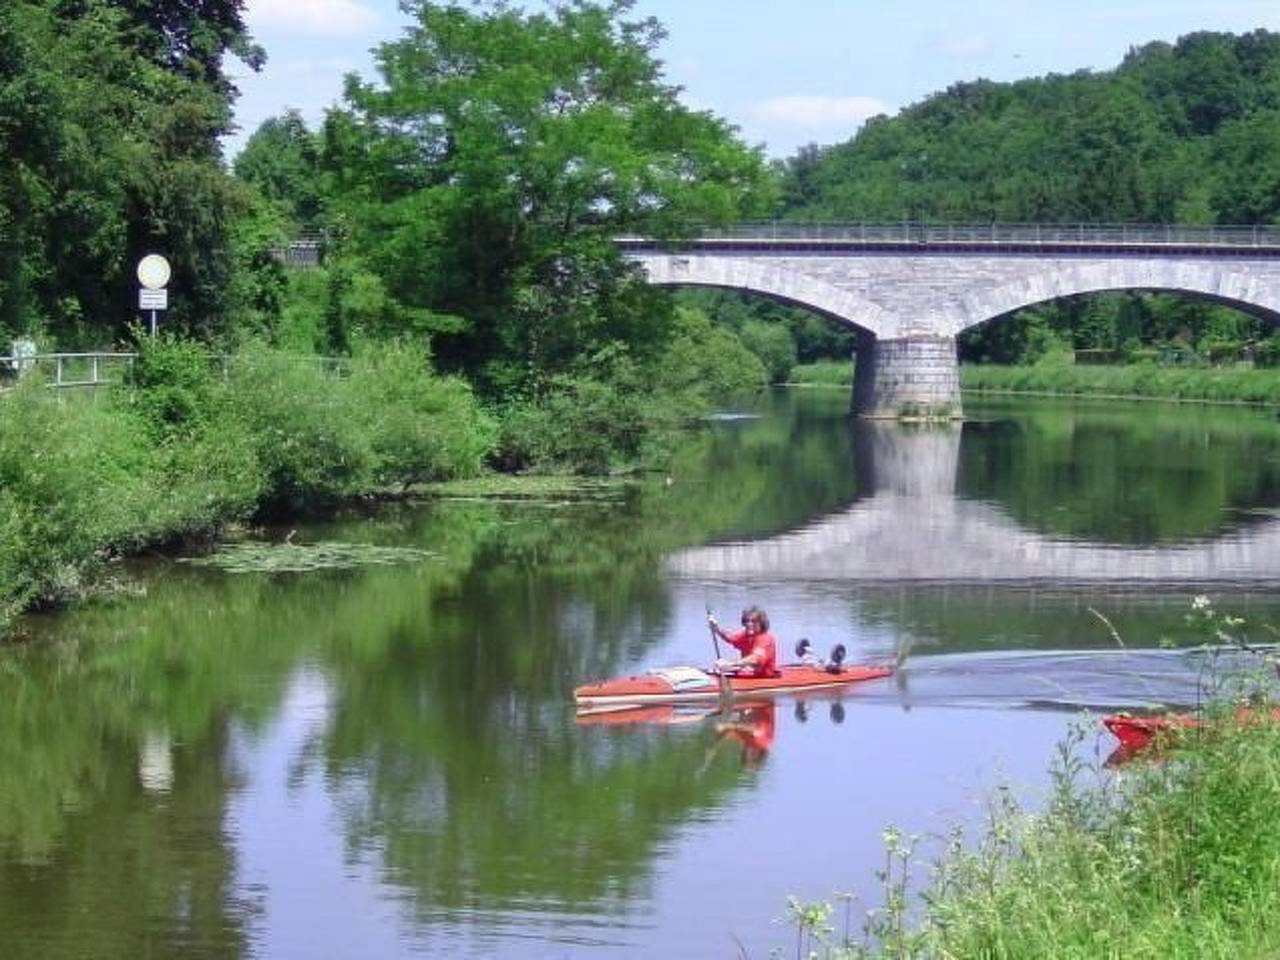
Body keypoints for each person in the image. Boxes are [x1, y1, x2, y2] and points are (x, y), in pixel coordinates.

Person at [708, 605, 779, 678]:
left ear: (761, 623)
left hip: (764, 678)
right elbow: (729, 637)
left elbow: (755, 658)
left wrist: (730, 664)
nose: (749, 624)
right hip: (748, 674)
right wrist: (716, 628)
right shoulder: (745, 635)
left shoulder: (765, 639)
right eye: (746, 621)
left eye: (753, 621)